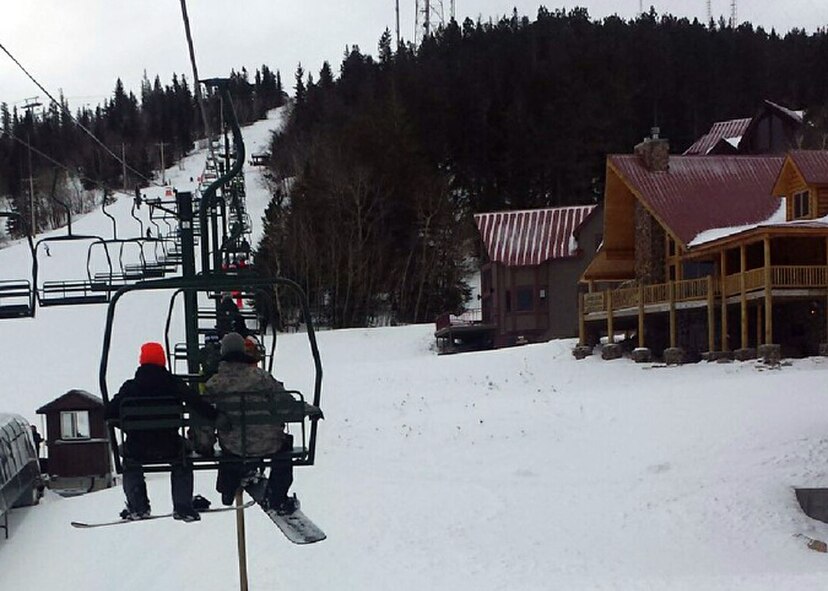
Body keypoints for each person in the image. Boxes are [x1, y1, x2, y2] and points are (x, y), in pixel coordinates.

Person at [105, 342, 224, 522]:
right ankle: (182, 506)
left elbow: (109, 413)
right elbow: (196, 403)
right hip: (170, 446)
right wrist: (216, 416)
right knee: (183, 459)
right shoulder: (174, 384)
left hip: (138, 448)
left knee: (129, 461)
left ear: (141, 361)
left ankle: (138, 506)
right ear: (163, 361)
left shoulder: (130, 387)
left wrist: (129, 426)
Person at [204, 333, 302, 514]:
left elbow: (204, 415)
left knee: (229, 445)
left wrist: (205, 443)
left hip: (234, 446)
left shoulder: (214, 383)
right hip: (268, 444)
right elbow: (285, 403)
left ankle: (227, 488)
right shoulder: (261, 377)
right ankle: (278, 497)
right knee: (284, 448)